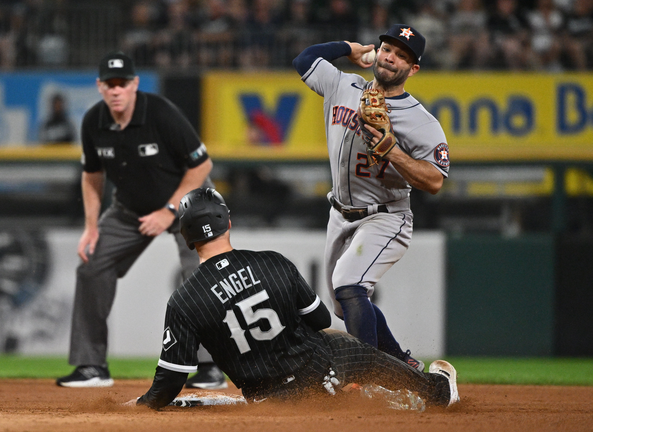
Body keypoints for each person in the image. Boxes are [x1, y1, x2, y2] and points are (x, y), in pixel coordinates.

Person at [134, 187, 459, 408]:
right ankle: (437, 391)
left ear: (187, 238)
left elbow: (170, 380)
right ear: (228, 221)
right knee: (354, 349)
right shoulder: (273, 263)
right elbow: (320, 319)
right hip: (323, 368)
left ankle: (348, 396)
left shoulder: (184, 300)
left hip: (268, 399)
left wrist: (146, 403)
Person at [56, 51, 226, 389]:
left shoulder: (161, 113)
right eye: (110, 84)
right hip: (130, 208)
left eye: (122, 83)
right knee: (92, 265)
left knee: (201, 274)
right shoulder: (94, 121)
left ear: (134, 84)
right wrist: (90, 227)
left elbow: (201, 165)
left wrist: (168, 211)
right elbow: (92, 176)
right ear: (100, 86)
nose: (116, 90)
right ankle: (92, 366)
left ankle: (210, 368)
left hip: (189, 202)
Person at [291, 24, 450, 371]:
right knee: (343, 303)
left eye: (402, 56)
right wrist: (348, 48)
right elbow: (304, 59)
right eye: (387, 49)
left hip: (386, 216)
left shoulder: (421, 121)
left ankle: (364, 374)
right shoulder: (343, 85)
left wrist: (394, 152)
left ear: (413, 69)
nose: (391, 58)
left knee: (348, 285)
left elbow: (435, 181)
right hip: (339, 213)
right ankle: (402, 364)